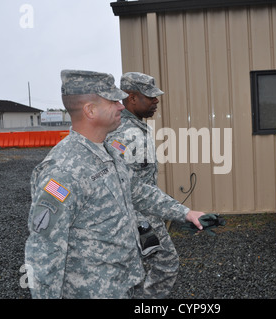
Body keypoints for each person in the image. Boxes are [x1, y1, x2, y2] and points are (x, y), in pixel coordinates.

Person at [24, 70, 205, 299]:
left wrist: (186, 213)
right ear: (90, 110)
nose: (121, 106)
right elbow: (44, 251)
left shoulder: (108, 151)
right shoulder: (62, 170)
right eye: (112, 101)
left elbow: (137, 191)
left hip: (126, 282)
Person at [106, 72, 178, 298]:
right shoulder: (124, 133)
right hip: (138, 219)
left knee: (136, 273)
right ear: (132, 97)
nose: (156, 101)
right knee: (166, 264)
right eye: (150, 96)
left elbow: (141, 180)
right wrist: (141, 226)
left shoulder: (135, 127)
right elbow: (119, 185)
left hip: (146, 214)